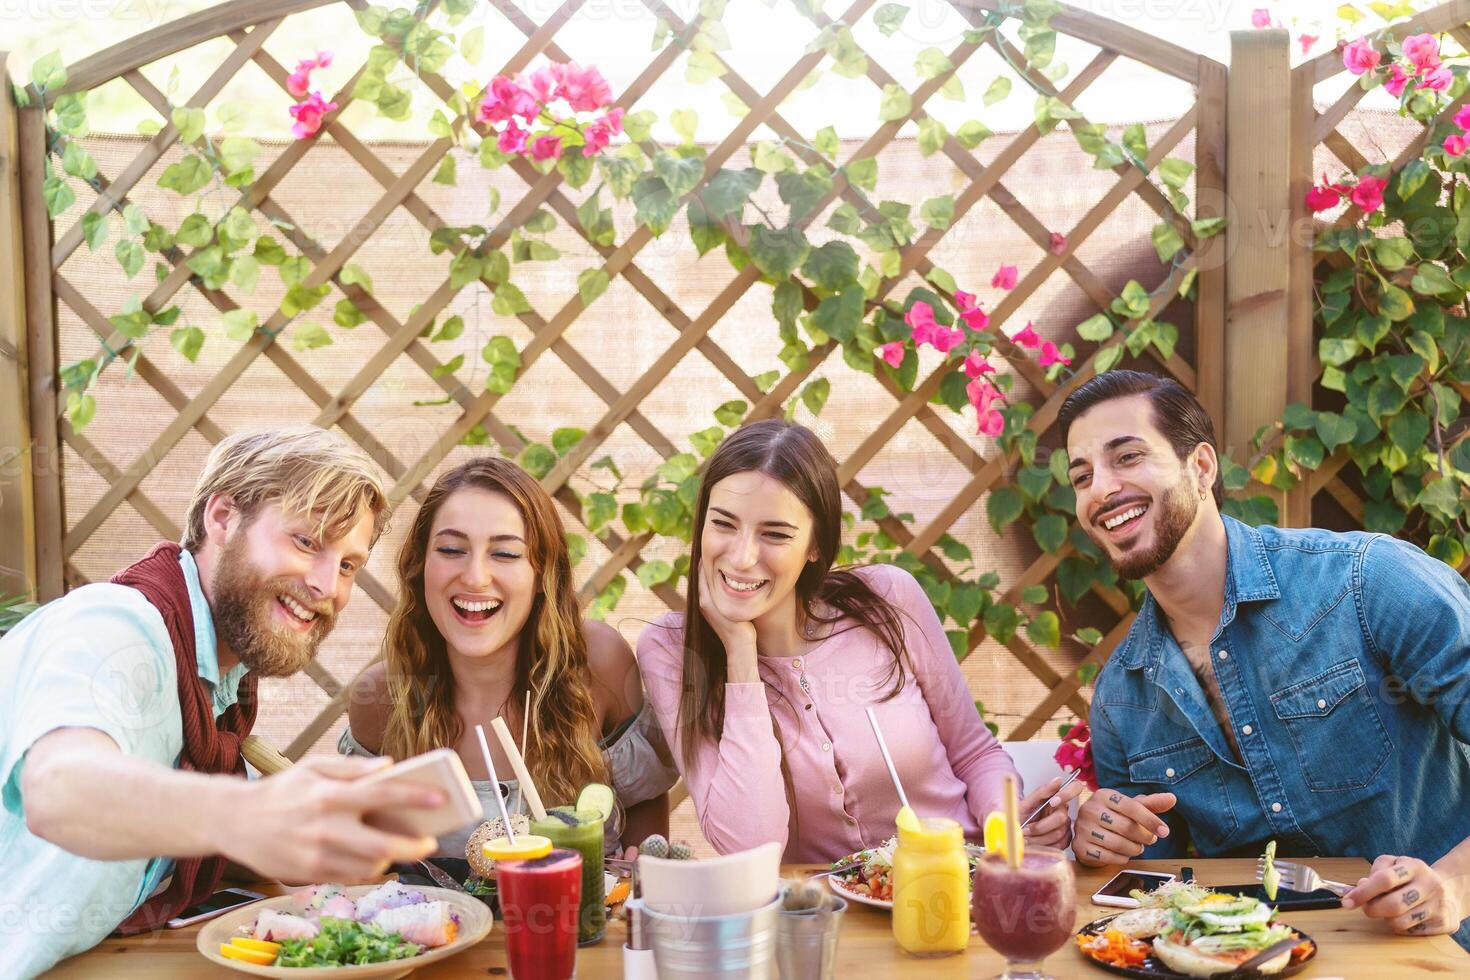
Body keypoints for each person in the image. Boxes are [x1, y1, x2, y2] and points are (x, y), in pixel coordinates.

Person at [0, 426, 446, 979]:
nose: (328, 586)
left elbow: (170, 821)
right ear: (222, 518)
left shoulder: (220, 688)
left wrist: (306, 843)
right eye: (306, 541)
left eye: (349, 565)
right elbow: (58, 789)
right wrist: (250, 817)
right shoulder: (116, 628)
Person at [1060, 369, 1470, 947]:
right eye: (1082, 477)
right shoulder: (1121, 697)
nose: (1100, 489)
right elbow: (1151, 891)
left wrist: (1455, 883)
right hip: (1257, 959)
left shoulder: (1368, 582)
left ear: (1201, 468)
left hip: (1443, 954)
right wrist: (1104, 840)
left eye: (1126, 457)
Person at [636, 418, 1081, 862]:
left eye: (775, 534)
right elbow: (751, 848)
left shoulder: (889, 599)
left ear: (815, 546)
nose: (742, 556)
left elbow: (975, 752)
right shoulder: (672, 650)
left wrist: (1004, 826)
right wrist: (739, 653)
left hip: (960, 887)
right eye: (724, 525)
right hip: (821, 921)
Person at [342, 457, 676, 859]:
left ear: (542, 573)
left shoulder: (597, 664)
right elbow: (362, 857)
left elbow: (643, 798)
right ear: (420, 566)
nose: (475, 576)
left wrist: (638, 873)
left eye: (504, 554)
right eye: (451, 549)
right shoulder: (381, 698)